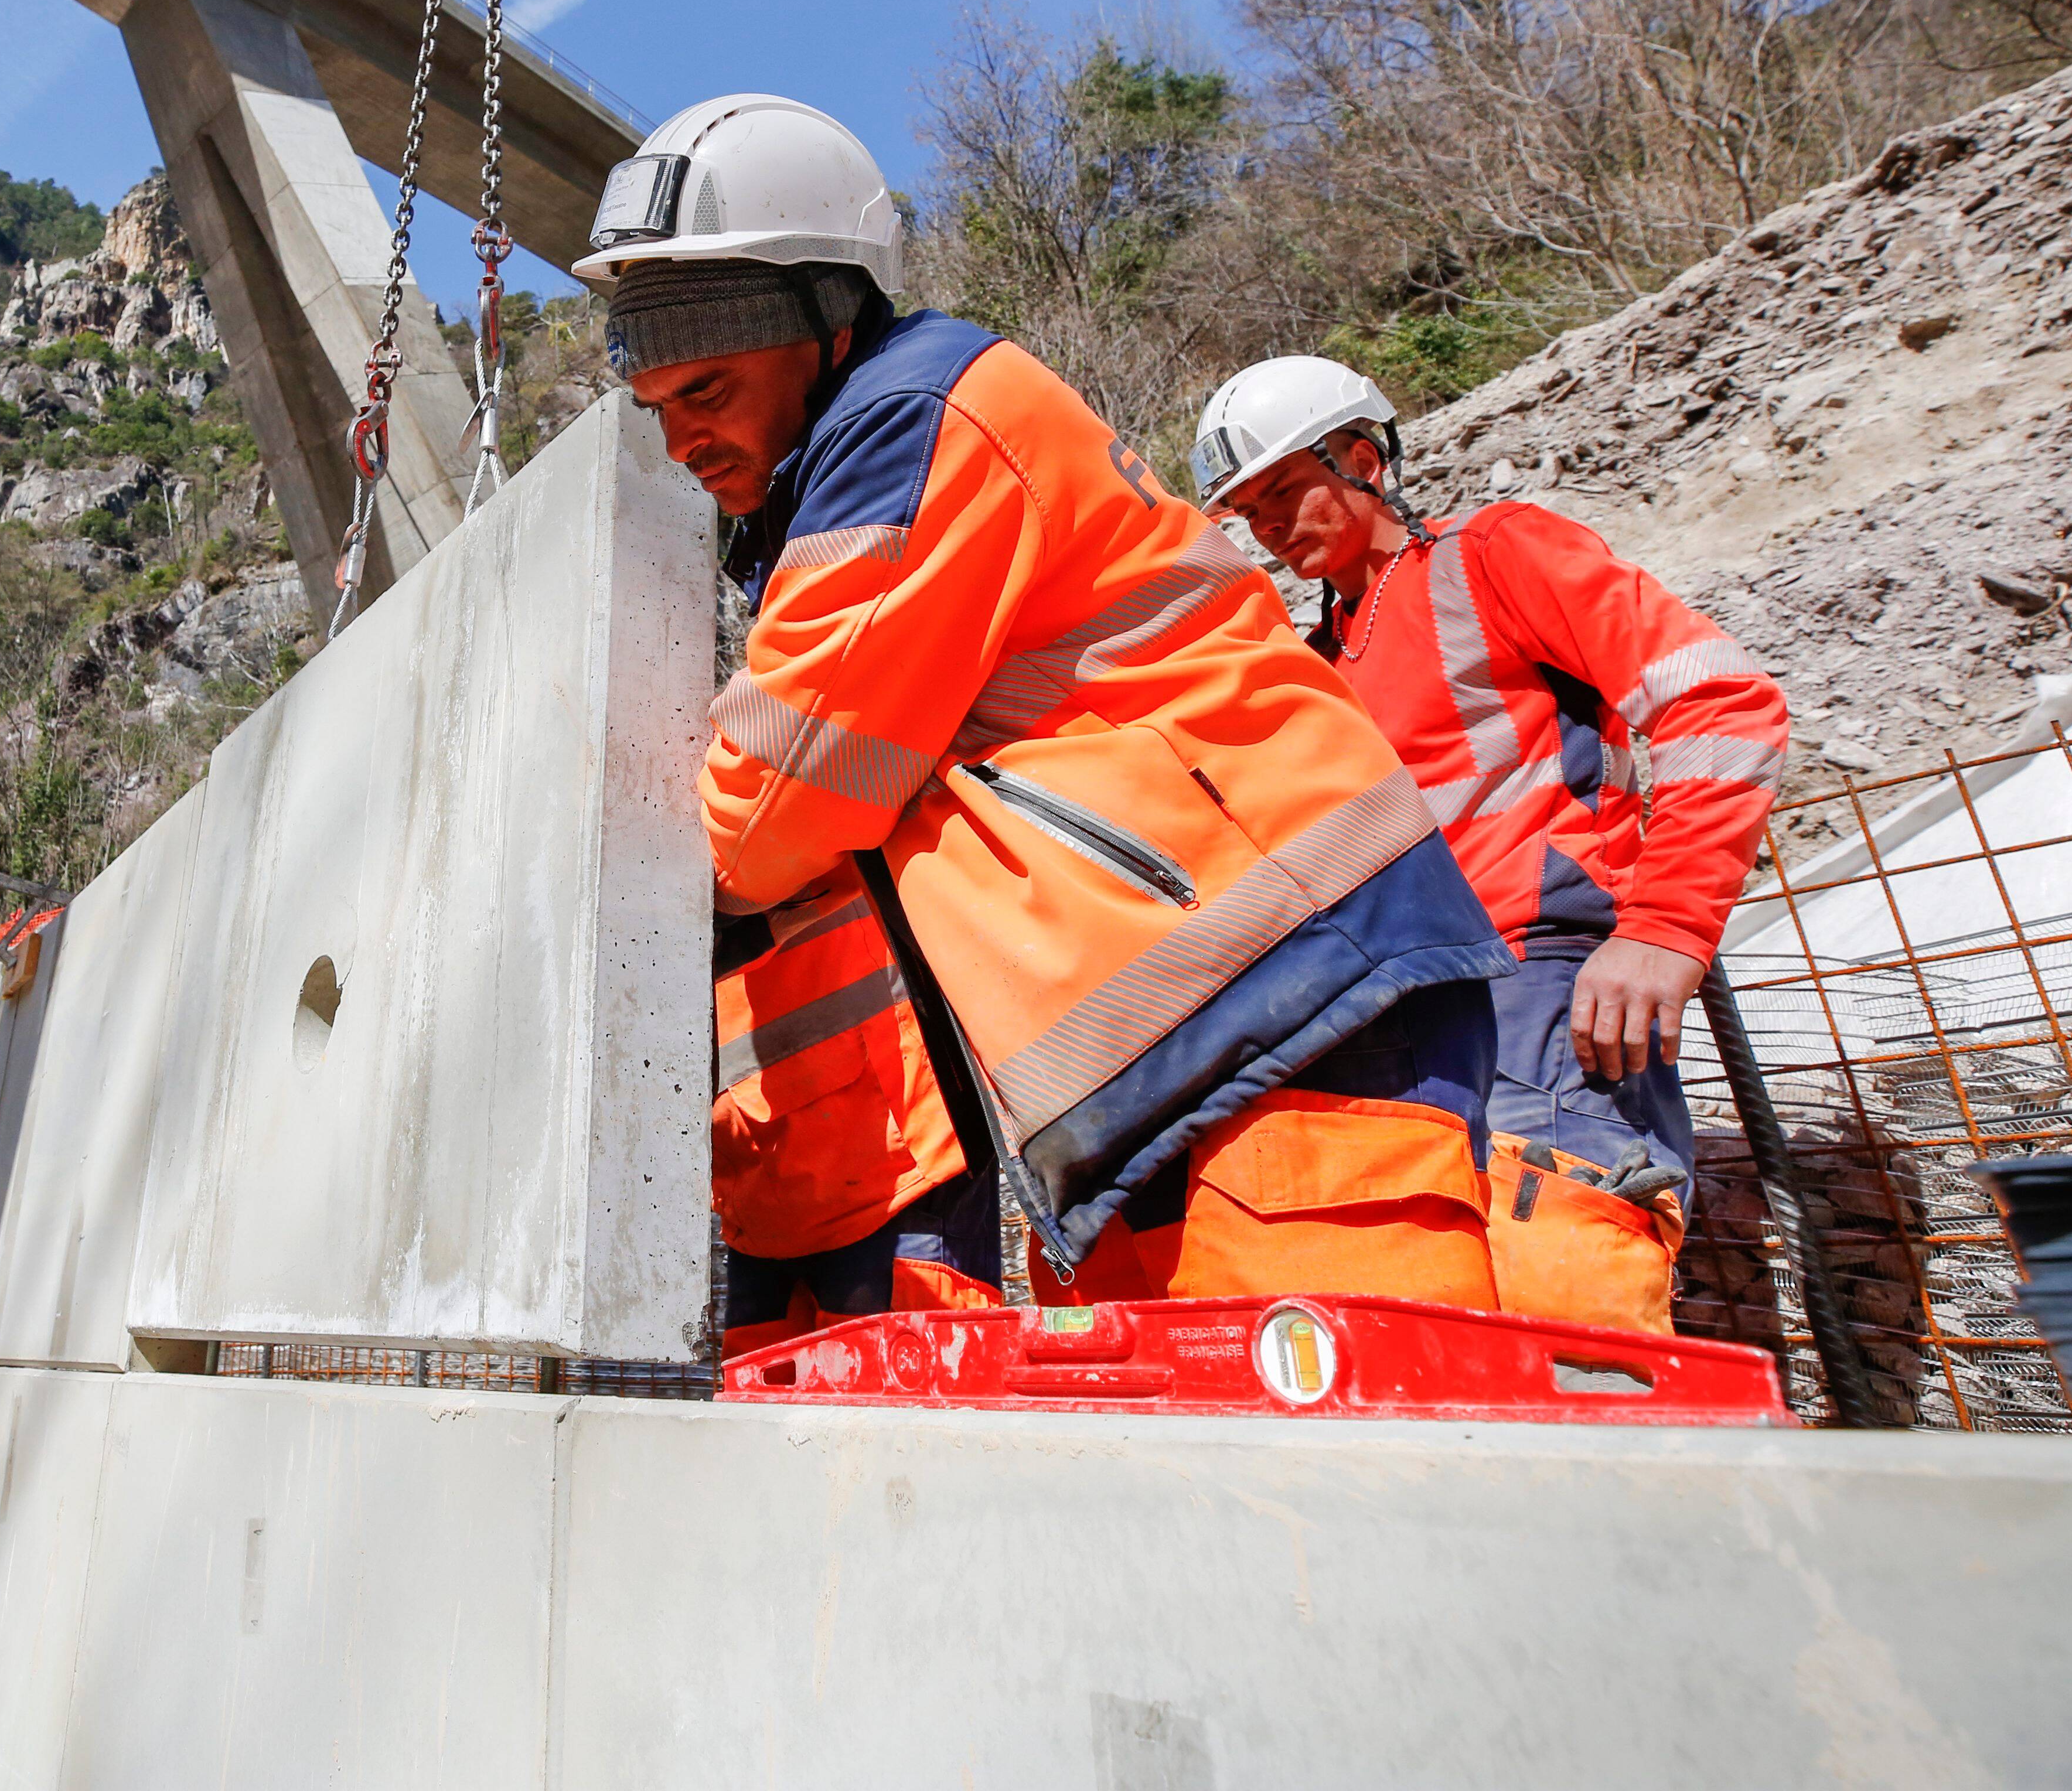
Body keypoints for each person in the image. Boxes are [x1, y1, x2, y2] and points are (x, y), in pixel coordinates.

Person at [578, 95, 1515, 1322]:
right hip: (1211, 1026)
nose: (682, 440)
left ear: (824, 315)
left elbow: (768, 816)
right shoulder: (880, 440)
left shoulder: (906, 423)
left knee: (1358, 1460)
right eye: (657, 409)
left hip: (1287, 992)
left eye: (709, 387)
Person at [1190, 356, 1790, 1332]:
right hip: (1415, 1031)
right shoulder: (1318, 661)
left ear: (1360, 459)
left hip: (1541, 993)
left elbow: (1721, 700)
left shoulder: (1493, 555)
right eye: (1247, 512)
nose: (1266, 527)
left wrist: (1663, 931)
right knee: (1448, 1334)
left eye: (1286, 493)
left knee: (1567, 1292)